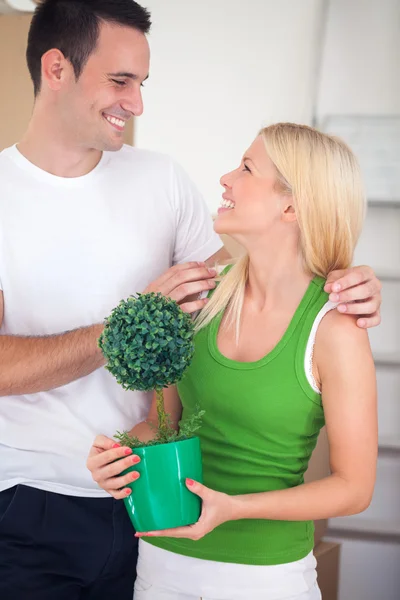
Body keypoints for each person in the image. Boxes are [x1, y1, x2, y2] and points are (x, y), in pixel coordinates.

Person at [0, 0, 379, 598]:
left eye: (142, 83)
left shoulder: (163, 180)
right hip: (34, 504)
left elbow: (254, 274)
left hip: (156, 505)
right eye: (120, 80)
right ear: (56, 68)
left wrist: (347, 277)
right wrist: (132, 325)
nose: (137, 103)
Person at [88, 123, 378, 600]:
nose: (225, 178)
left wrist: (234, 508)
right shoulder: (199, 299)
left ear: (292, 204)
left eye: (246, 168)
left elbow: (354, 487)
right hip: (161, 568)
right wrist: (118, 455)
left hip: (265, 578)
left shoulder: (335, 330)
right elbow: (163, 424)